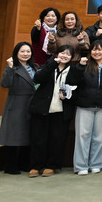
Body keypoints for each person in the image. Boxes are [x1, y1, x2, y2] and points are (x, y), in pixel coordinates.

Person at [66, 41, 102, 175]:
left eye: (100, 50)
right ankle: (81, 166)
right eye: (94, 50)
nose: (97, 52)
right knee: (82, 136)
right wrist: (80, 66)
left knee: (100, 137)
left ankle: (96, 164)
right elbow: (72, 81)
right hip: (84, 105)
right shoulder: (84, 65)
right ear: (90, 52)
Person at [29, 44, 74, 177]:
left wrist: (68, 95)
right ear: (57, 54)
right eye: (62, 53)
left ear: (71, 57)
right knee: (39, 139)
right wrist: (53, 64)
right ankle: (36, 166)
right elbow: (37, 78)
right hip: (43, 108)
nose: (64, 56)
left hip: (61, 110)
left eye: (68, 54)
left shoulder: (73, 70)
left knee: (57, 139)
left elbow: (76, 87)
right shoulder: (48, 66)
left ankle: (52, 165)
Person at [0, 42, 37, 175]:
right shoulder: (12, 67)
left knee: (28, 134)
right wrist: (10, 68)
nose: (26, 54)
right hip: (16, 104)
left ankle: (24, 163)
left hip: (31, 104)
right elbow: (5, 84)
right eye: (22, 51)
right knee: (13, 135)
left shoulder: (35, 67)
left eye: (28, 51)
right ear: (16, 53)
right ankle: (10, 165)